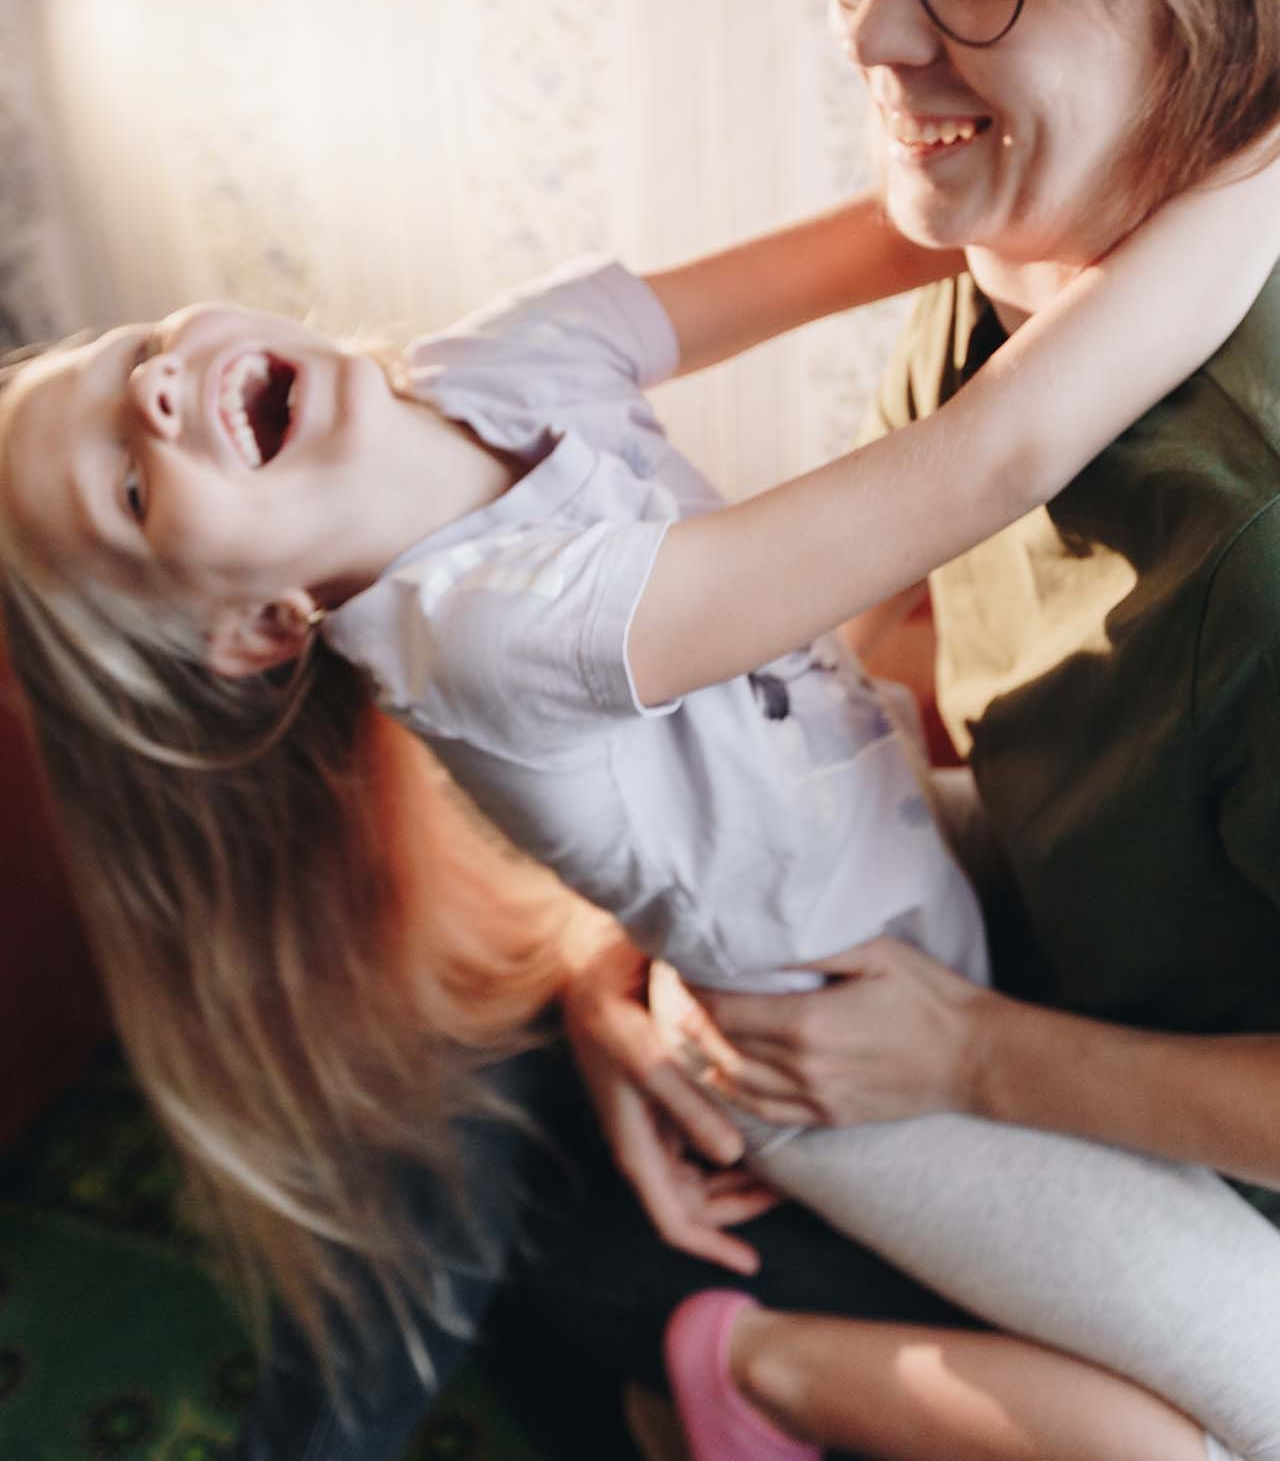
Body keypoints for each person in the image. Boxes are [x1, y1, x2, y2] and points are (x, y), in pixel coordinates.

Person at [1, 154, 1277, 1461]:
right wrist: (1255, 160)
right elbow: (984, 462)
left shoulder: (497, 362)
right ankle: (737, 1375)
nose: (152, 392)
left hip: (905, 846)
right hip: (827, 1055)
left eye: (131, 356)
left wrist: (1101, 145)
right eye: (131, 488)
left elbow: (894, 238)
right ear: (262, 629)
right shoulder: (486, 634)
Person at [518, 0, 1280, 1461]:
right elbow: (880, 686)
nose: (870, 25)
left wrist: (972, 1061)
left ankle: (745, 1371)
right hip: (1074, 954)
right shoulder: (1008, 278)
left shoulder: (1253, 532)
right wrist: (616, 957)